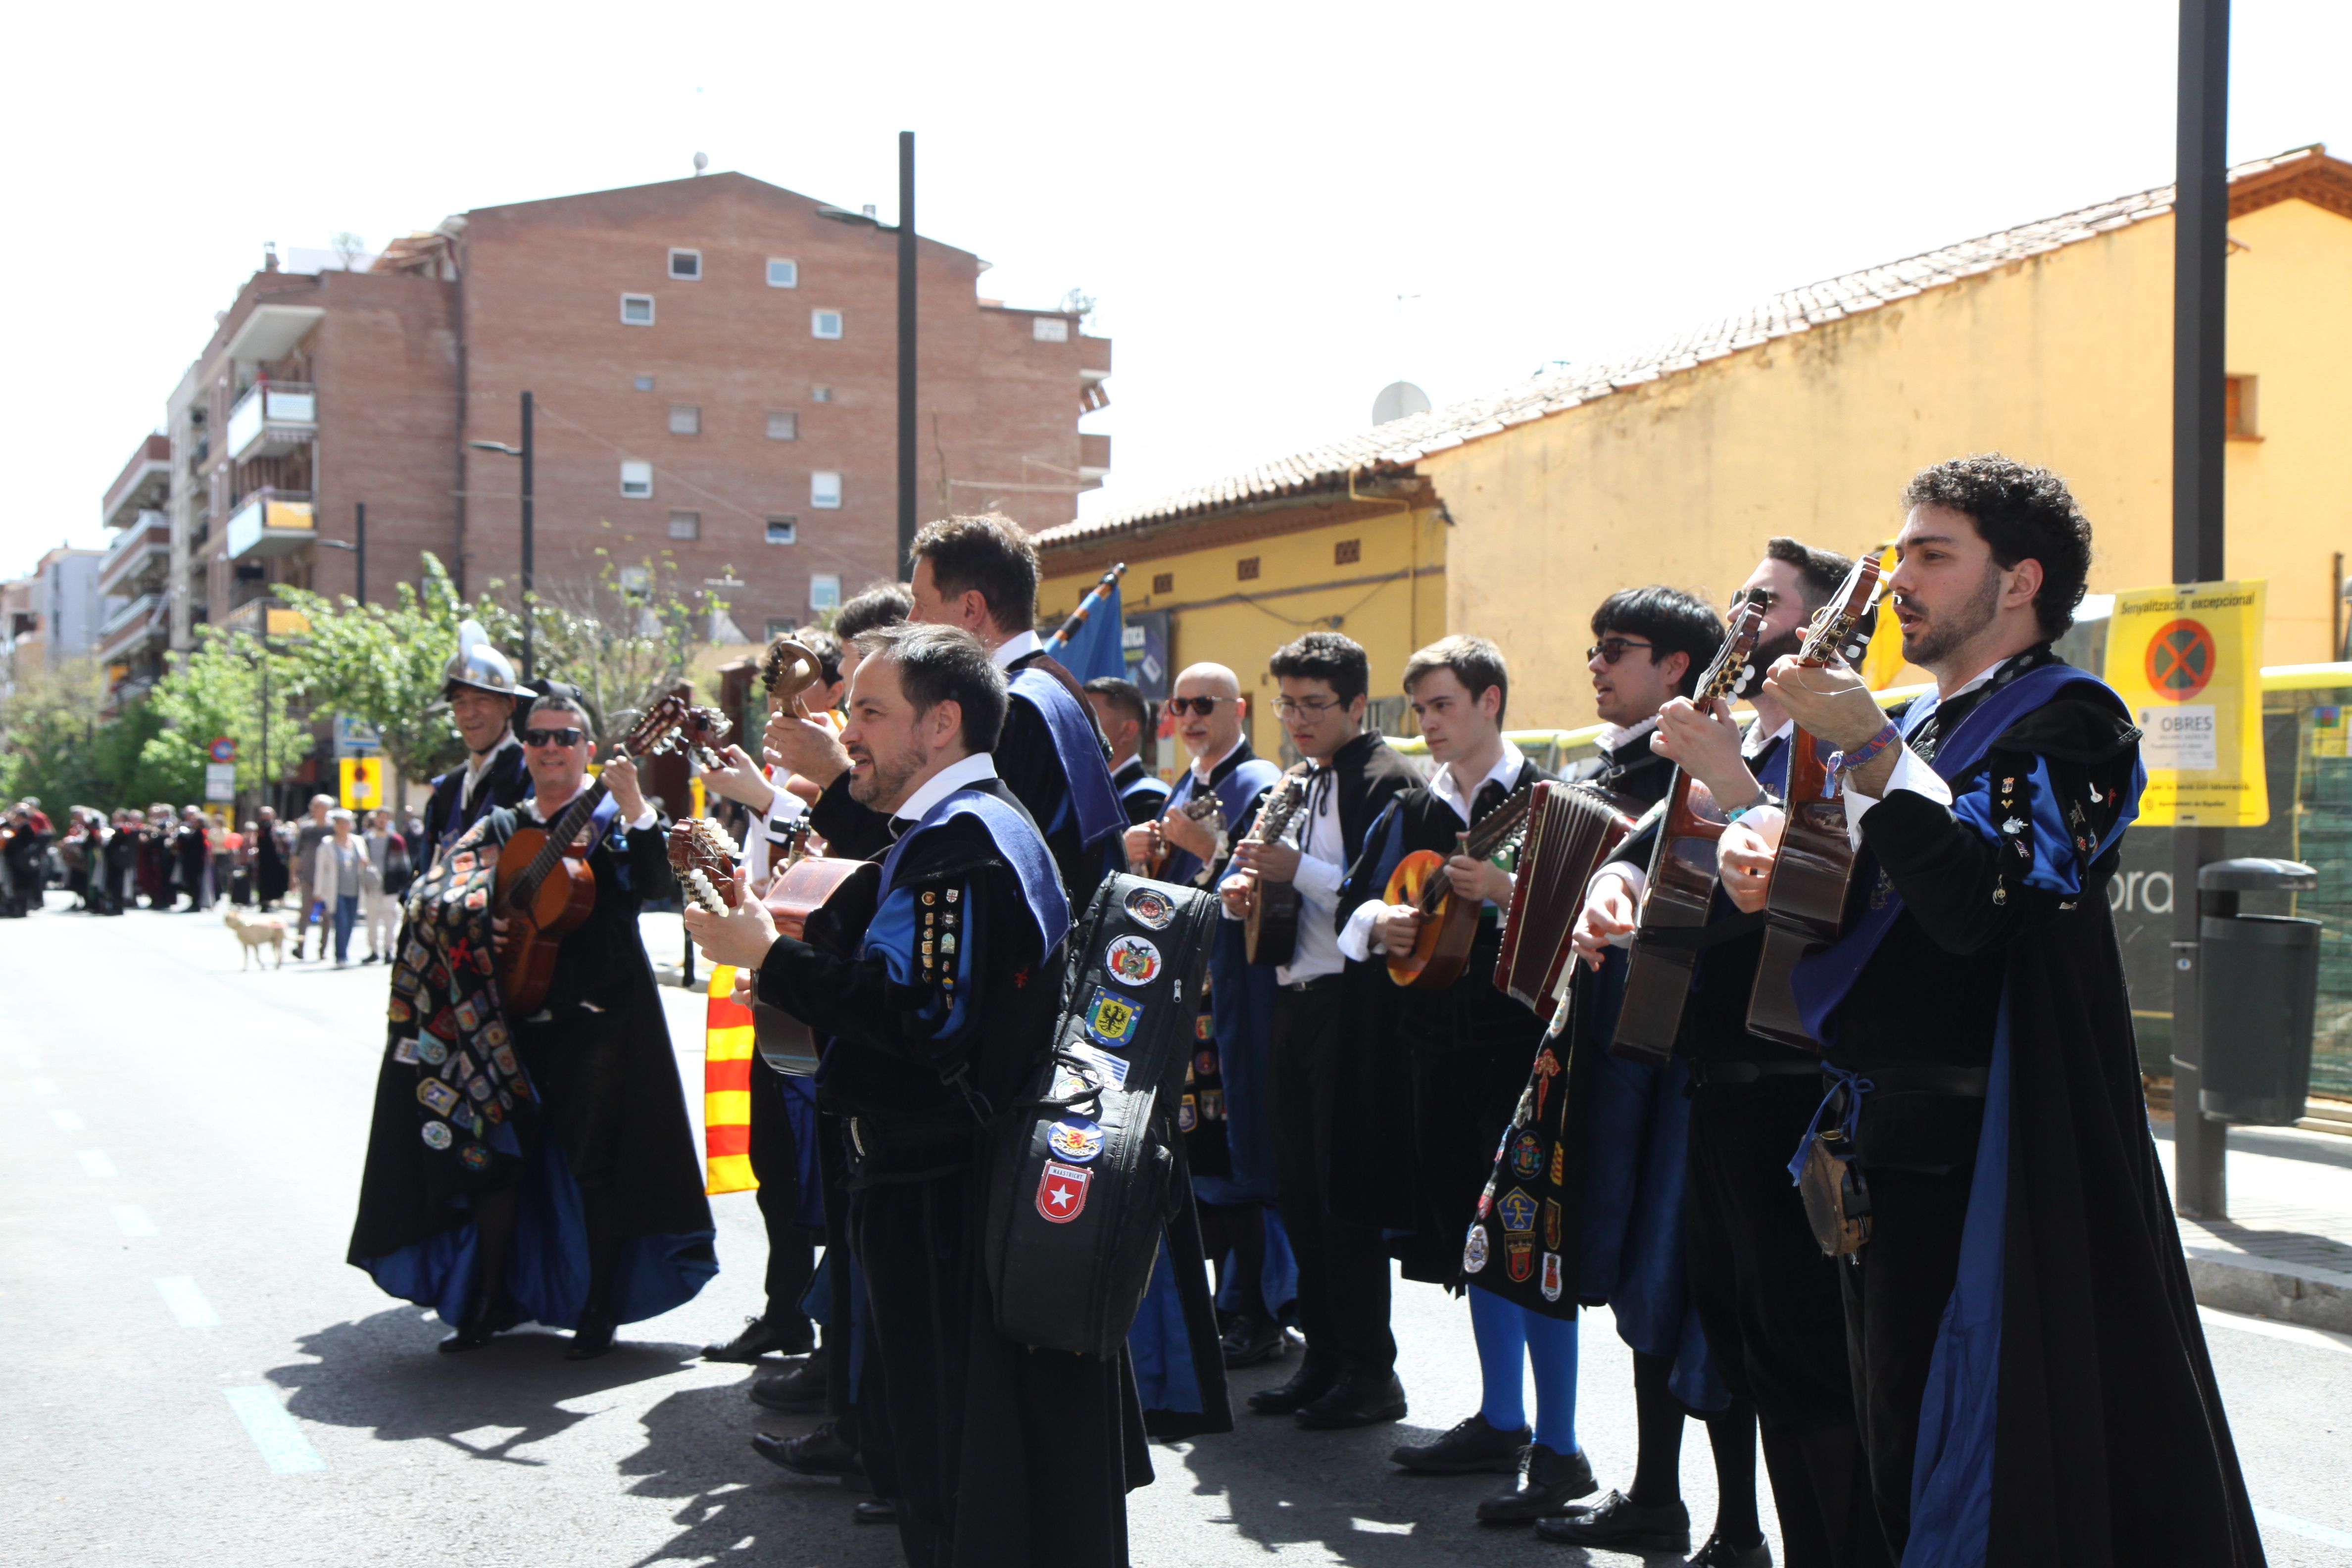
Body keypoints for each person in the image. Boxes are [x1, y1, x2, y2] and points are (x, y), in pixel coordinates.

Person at [1722, 456, 2263, 1566]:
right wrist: (1764, 845)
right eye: (1901, 551)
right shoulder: (1915, 722)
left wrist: (1868, 746)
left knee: (1975, 1458)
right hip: (1872, 1135)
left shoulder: (2074, 720)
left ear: (2018, 582)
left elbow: (1987, 904)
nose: (1900, 580)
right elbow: (1867, 905)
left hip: (1991, 1155)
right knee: (1888, 1449)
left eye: (1932, 554)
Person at [686, 623, 1148, 1567]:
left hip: (946, 1191)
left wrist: (769, 956)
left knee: (956, 1459)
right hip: (947, 1182)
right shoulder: (955, 829)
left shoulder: (963, 841)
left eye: (867, 710)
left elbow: (922, 1017)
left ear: (940, 723)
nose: (844, 728)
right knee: (961, 1453)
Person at [1568, 550, 1878, 1568]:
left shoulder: (1843, 747)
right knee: (1742, 1347)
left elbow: (1824, 890)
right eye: (1741, 598)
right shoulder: (1743, 741)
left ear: (1824, 629)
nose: (1742, 615)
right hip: (1715, 1087)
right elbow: (1637, 849)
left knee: (1810, 1362)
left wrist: (1731, 777)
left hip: (1795, 1093)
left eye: (1766, 601)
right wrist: (1611, 889)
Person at [348, 688, 716, 1359]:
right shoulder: (499, 826)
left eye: (566, 738)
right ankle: (487, 1301)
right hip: (506, 1021)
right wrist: (476, 919)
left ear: (591, 749)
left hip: (597, 1022)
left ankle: (600, 1306)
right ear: (526, 750)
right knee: (495, 1162)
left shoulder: (614, 816)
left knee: (596, 1167)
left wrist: (636, 804)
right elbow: (432, 895)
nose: (552, 749)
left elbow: (659, 889)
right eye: (540, 738)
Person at [1329, 636, 1550, 1461]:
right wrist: (1378, 923)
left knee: (1525, 1240)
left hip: (1519, 1048)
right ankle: (1500, 1417)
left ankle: (1556, 1438)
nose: (1427, 723)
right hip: (1434, 1050)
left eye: (1442, 705)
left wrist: (1506, 891)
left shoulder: (1541, 797)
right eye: (1418, 708)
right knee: (1470, 1235)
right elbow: (1355, 908)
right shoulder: (1416, 806)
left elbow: (1578, 919)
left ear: (1490, 700)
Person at [1226, 631, 1417, 1429]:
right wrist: (1249, 892)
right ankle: (1326, 1356)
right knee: (1299, 1190)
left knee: (1345, 1196)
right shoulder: (1299, 782)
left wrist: (1290, 874)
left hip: (1354, 1005)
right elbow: (1282, 880)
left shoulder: (1389, 780)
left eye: (1313, 706)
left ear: (1353, 705)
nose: (1297, 721)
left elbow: (1385, 896)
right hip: (1294, 997)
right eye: (1287, 704)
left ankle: (1372, 1369)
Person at [765, 516, 1125, 910]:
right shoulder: (1056, 684)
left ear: (971, 607)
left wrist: (833, 772)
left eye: (921, 603)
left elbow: (948, 863)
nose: (911, 621)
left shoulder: (1012, 705)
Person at [1119, 662, 1274, 1427]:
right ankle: (1220, 1302)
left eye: (1204, 704)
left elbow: (1251, 888)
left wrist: (1205, 850)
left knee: (1228, 1154)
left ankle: (1253, 1307)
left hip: (1231, 996)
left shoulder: (1260, 781)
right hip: (1184, 989)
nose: (1189, 715)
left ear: (1239, 709)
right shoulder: (1187, 779)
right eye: (1178, 705)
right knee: (1194, 1151)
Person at [419, 622, 532, 861]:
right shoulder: (449, 787)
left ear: (509, 705)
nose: (470, 713)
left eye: (482, 700)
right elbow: (426, 868)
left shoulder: (531, 774)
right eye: (460, 703)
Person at [1085, 676, 1170, 830]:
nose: (1080, 726)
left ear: (1127, 731)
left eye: (1090, 718)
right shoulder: (1095, 792)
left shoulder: (1147, 800)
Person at [311, 809, 371, 968]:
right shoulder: (327, 844)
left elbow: (365, 863)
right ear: (335, 826)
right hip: (336, 890)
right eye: (340, 823)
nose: (343, 826)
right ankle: (341, 956)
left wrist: (365, 863)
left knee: (351, 922)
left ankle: (345, 951)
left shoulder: (358, 842)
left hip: (356, 889)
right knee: (341, 921)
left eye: (346, 823)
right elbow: (320, 870)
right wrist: (318, 892)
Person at [361, 810, 411, 963]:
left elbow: (404, 864)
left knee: (390, 920)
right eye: (379, 818)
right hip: (371, 887)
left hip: (391, 887)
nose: (382, 821)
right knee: (372, 920)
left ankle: (389, 950)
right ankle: (374, 950)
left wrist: (403, 885)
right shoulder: (365, 840)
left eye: (385, 818)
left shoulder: (396, 840)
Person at [290, 796, 332, 952]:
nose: (313, 810)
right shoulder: (306, 829)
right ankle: (300, 946)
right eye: (313, 806)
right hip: (308, 876)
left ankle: (323, 949)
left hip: (328, 880)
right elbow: (296, 854)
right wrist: (293, 876)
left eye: (317, 806)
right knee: (305, 912)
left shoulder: (333, 829)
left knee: (326, 915)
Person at [254, 805, 290, 909]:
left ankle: (277, 899)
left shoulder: (277, 827)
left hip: (277, 860)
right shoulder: (262, 827)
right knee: (265, 882)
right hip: (265, 860)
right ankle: (265, 902)